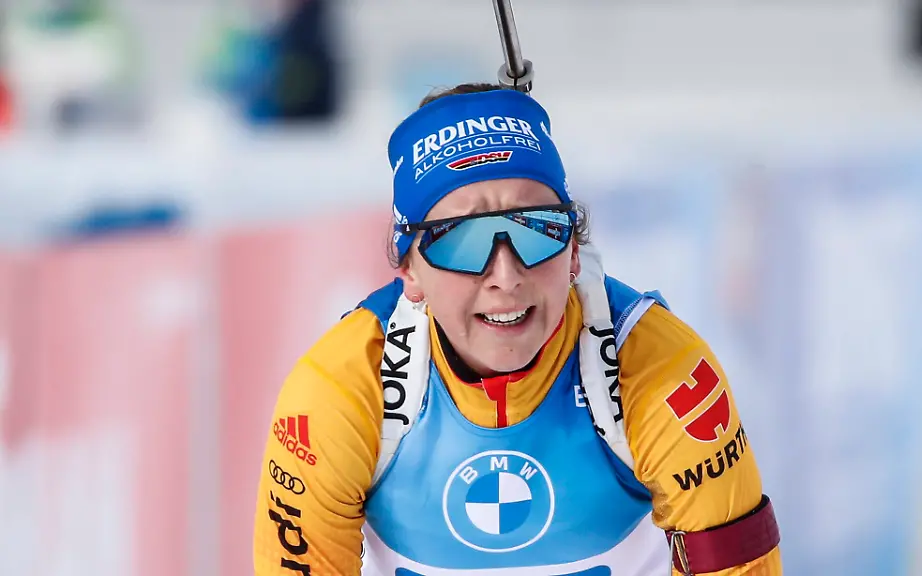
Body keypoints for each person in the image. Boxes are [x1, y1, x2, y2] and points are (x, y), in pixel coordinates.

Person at [253, 83, 782, 575]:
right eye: (461, 240)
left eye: (537, 230)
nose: (506, 277)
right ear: (410, 270)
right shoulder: (343, 389)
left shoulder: (661, 371)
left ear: (574, 251)